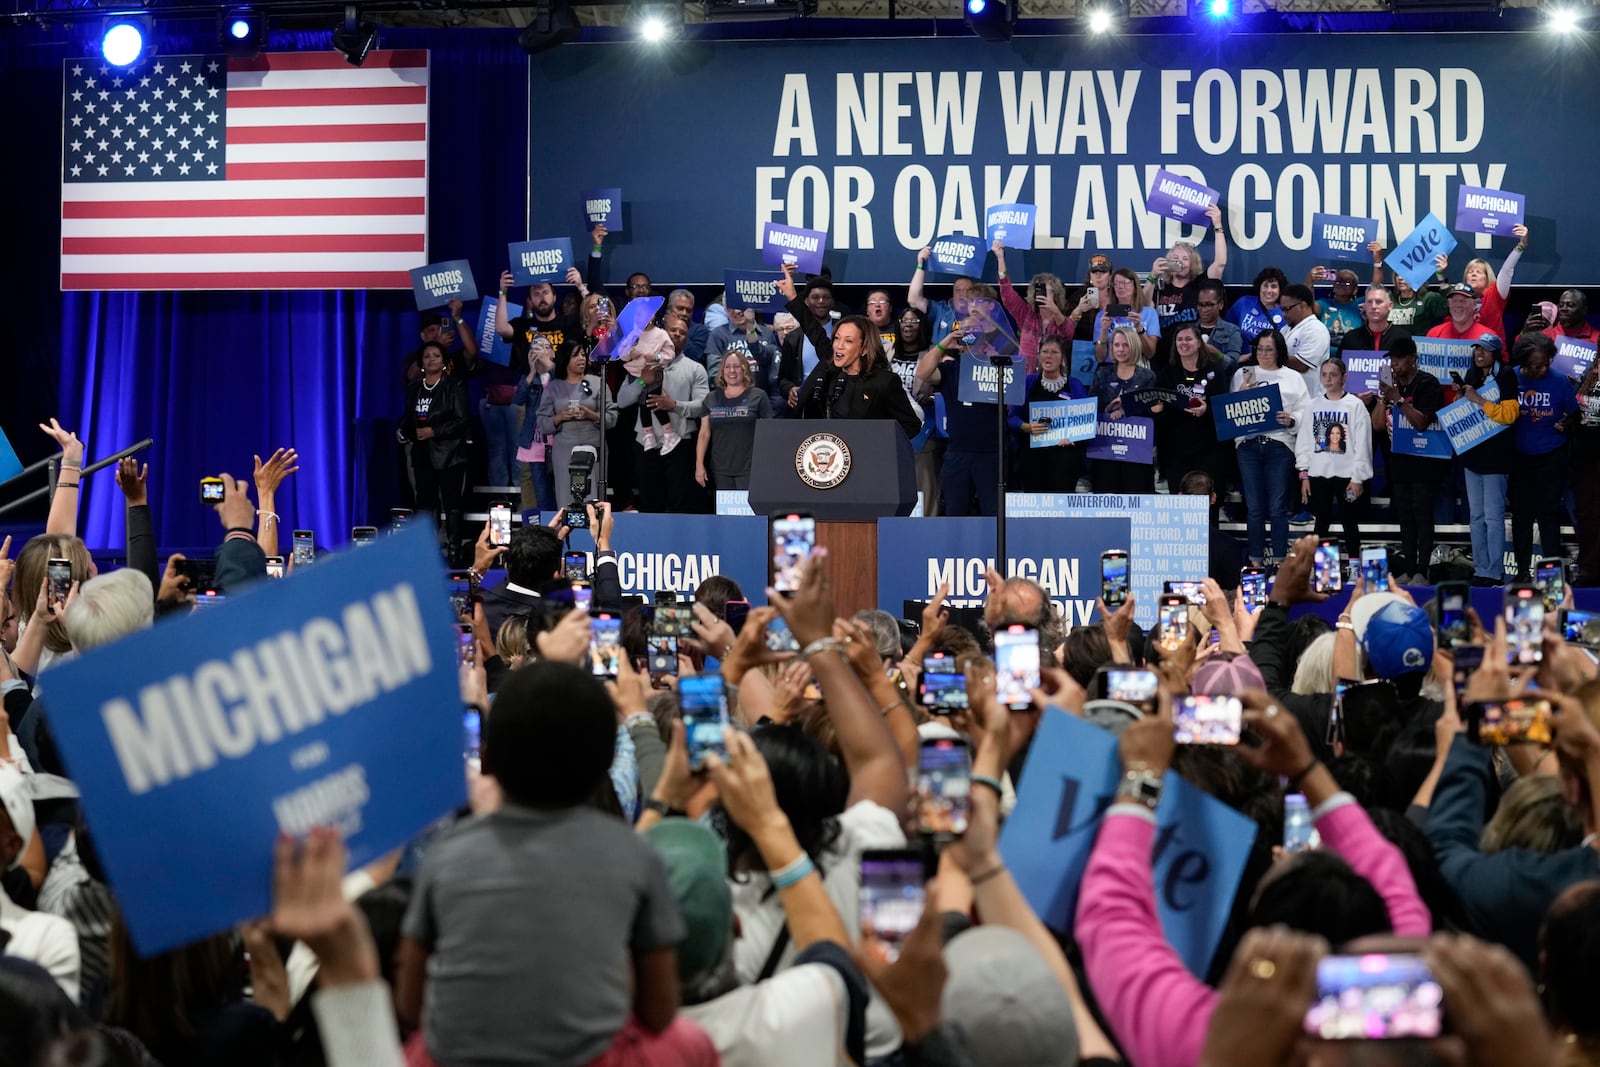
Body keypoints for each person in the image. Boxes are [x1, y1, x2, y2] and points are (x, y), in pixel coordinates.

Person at [1077, 687, 1428, 1067]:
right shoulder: (1407, 1002)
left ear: (1256, 933)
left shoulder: (1205, 1040)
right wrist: (1306, 770)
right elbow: (1387, 872)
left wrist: (1141, 775)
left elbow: (1111, 913)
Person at [396, 662, 716, 1067]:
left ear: (491, 755)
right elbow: (659, 1011)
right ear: (607, 759)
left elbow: (410, 1006)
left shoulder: (446, 855)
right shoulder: (633, 854)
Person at [788, 269, 921, 440]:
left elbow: (911, 425)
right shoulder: (832, 370)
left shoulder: (884, 382)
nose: (839, 346)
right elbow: (815, 331)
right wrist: (792, 296)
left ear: (864, 348)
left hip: (869, 460)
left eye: (848, 341)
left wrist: (879, 443)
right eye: (836, 338)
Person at [617, 313, 712, 514]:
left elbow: (702, 406)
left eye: (683, 333)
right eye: (673, 331)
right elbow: (622, 401)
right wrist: (643, 380)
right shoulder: (640, 365)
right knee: (650, 507)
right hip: (646, 445)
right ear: (663, 334)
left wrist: (673, 405)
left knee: (681, 506)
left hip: (681, 446)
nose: (677, 335)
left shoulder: (695, 369)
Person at [1231, 330, 1310, 566]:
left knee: (1277, 507)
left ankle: (1279, 561)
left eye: (1268, 349)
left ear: (1279, 351)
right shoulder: (1243, 374)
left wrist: (1292, 418)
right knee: (1254, 507)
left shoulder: (1293, 377)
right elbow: (1230, 413)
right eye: (1259, 348)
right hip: (1249, 445)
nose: (1263, 353)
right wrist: (1240, 397)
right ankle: (1255, 561)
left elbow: (1305, 411)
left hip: (1280, 443)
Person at [1377, 336, 1449, 584]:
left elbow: (1421, 422)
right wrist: (1382, 397)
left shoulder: (1428, 383)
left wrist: (1397, 399)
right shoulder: (1394, 387)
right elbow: (1377, 425)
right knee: (1405, 517)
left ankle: (1423, 570)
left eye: (1399, 359)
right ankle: (1409, 568)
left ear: (1413, 360)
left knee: (1422, 516)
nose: (1394, 365)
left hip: (1424, 462)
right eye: (1392, 360)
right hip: (1399, 462)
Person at [915, 323, 1007, 515]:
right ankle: (956, 546)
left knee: (993, 513)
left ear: (984, 345)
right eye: (966, 342)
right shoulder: (951, 369)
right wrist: (944, 344)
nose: (970, 347)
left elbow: (1014, 399)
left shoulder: (998, 369)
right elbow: (922, 372)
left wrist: (993, 358)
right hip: (957, 452)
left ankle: (991, 546)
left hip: (991, 454)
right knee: (955, 511)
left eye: (976, 342)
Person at [1511, 330, 1578, 581]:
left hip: (1552, 455)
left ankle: (1552, 577)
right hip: (1519, 457)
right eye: (1537, 366)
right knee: (1521, 516)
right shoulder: (1511, 378)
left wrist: (1567, 423)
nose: (1542, 369)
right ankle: (1521, 574)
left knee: (1548, 513)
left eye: (1546, 364)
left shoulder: (1559, 381)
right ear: (1524, 363)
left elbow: (1575, 415)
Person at [1457, 332, 1520, 585]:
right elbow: (1464, 410)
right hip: (1473, 454)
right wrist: (1461, 397)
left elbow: (1510, 415)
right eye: (1477, 349)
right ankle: (1480, 568)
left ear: (1496, 353)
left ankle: (1495, 571)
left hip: (1496, 456)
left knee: (1493, 518)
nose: (1479, 354)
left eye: (1484, 350)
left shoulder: (1506, 375)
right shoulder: (1472, 374)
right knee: (1476, 517)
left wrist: (1479, 400)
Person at [397, 340, 470, 557]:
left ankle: (455, 549)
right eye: (427, 356)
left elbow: (462, 420)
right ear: (421, 362)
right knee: (424, 504)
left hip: (449, 455)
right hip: (421, 454)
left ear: (444, 361)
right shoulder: (414, 388)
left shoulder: (454, 386)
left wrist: (434, 431)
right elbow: (409, 419)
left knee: (452, 503)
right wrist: (402, 431)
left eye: (436, 356)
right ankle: (426, 549)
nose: (431, 360)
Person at [1296, 358, 1374, 559]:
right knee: (1320, 524)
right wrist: (1304, 474)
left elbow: (1363, 445)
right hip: (1319, 475)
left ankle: (1355, 566)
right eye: (1324, 375)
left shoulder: (1355, 405)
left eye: (1333, 374)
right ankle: (1323, 568)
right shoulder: (1312, 405)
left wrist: (1358, 478)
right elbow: (1304, 441)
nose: (1328, 379)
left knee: (1349, 522)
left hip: (1347, 478)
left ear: (1344, 377)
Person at [535, 343, 617, 511]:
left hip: (593, 449)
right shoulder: (553, 388)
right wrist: (559, 417)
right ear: (565, 359)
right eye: (576, 355)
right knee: (567, 500)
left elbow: (612, 418)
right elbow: (542, 424)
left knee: (592, 499)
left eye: (583, 355)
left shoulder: (598, 383)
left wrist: (591, 415)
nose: (582, 358)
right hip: (564, 451)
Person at [1156, 322, 1230, 496]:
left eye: (1189, 339)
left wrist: (1207, 410)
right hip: (1177, 451)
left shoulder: (1216, 372)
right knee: (1180, 506)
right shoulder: (1166, 374)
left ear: (1199, 343)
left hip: (1209, 450)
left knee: (1208, 504)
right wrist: (1157, 411)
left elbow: (1224, 410)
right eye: (1179, 339)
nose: (1184, 343)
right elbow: (1162, 417)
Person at [1090, 325, 1165, 494]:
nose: (1121, 349)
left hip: (1137, 450)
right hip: (1106, 450)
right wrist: (1109, 410)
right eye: (1117, 345)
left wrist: (1127, 409)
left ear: (1134, 346)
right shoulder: (1102, 373)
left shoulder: (1148, 376)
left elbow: (1152, 412)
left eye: (1126, 345)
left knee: (1137, 495)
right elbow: (1092, 407)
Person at [1143, 203, 1228, 349]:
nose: (1180, 262)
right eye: (1175, 258)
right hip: (1164, 351)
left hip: (1193, 349)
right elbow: (1143, 305)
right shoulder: (1161, 286)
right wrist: (1152, 276)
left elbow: (1220, 263)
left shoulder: (1201, 284)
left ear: (1193, 263)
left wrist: (1218, 225)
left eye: (1185, 259)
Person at [1013, 335, 1090, 494]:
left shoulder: (1074, 385)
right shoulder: (1028, 382)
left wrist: (1073, 436)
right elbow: (1011, 418)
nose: (1048, 355)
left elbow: (1087, 421)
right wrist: (1026, 427)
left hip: (1065, 459)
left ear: (1062, 358)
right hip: (1033, 458)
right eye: (1044, 351)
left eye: (1054, 352)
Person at [695, 349, 773, 491]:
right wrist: (699, 465)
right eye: (727, 366)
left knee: (748, 512)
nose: (732, 371)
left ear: (745, 370)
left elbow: (769, 433)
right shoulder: (711, 398)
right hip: (720, 469)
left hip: (751, 468)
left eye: (737, 366)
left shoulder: (758, 396)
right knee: (725, 513)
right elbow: (704, 434)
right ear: (722, 371)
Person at [995, 241, 1074, 375]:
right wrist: (1000, 258)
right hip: (1025, 376)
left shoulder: (1061, 319)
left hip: (1053, 377)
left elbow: (1068, 332)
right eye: (1037, 290)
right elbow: (1007, 293)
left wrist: (1055, 310)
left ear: (1055, 294)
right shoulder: (1026, 314)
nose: (1041, 294)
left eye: (1046, 290)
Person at [1441, 223, 1528, 341]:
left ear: (1488, 278)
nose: (1473, 274)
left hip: (1492, 353)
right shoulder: (1459, 299)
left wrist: (1521, 245)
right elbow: (1446, 292)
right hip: (1464, 352)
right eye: (1470, 271)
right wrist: (1440, 273)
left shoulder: (1495, 295)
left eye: (1479, 272)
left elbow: (1507, 270)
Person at [777, 271, 838, 411]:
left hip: (835, 402)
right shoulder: (793, 338)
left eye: (826, 297)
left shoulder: (843, 331)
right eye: (815, 297)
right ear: (806, 301)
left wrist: (792, 297)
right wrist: (790, 389)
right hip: (804, 404)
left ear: (833, 301)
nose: (821, 301)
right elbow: (783, 379)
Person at [511, 333, 557, 513]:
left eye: (546, 347)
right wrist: (531, 372)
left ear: (553, 354)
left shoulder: (558, 375)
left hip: (557, 442)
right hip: (536, 445)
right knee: (542, 493)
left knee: (557, 488)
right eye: (536, 347)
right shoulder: (530, 379)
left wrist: (548, 366)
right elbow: (518, 399)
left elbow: (560, 387)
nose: (541, 350)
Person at [1094, 269, 1159, 364]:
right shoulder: (1102, 316)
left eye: (1125, 282)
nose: (1120, 287)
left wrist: (1139, 328)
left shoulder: (1149, 313)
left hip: (1139, 367)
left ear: (1135, 286)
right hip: (1111, 367)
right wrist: (1104, 331)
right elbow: (1100, 358)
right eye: (1116, 283)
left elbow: (1150, 353)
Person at [1280, 283, 1331, 400]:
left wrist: (1273, 357)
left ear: (1303, 306)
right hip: (1288, 397)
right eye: (1281, 309)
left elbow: (1302, 365)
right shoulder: (1285, 329)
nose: (1283, 314)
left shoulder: (1316, 329)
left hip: (1310, 399)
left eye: (1287, 309)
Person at [1225, 266, 1289, 345]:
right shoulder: (1244, 302)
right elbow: (1227, 328)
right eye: (1265, 285)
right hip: (1238, 355)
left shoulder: (1284, 314)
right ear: (1259, 287)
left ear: (1280, 290)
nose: (1269, 290)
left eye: (1273, 286)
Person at [1339, 285, 1411, 355]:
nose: (1373, 306)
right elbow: (1340, 365)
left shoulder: (1403, 338)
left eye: (1379, 302)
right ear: (1365, 306)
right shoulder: (1350, 338)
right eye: (1369, 302)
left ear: (1390, 306)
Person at [1306, 266, 1364, 351]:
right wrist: (1309, 282)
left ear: (1355, 289)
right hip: (1325, 357)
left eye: (1347, 283)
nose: (1341, 284)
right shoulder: (1324, 304)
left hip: (1351, 356)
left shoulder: (1359, 305)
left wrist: (1377, 263)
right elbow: (1309, 307)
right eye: (1338, 281)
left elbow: (1376, 286)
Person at [1194, 278, 1243, 366]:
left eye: (1209, 305)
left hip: (1220, 378)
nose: (1204, 309)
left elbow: (1233, 365)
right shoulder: (1190, 330)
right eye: (1200, 305)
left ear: (1220, 304)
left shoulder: (1232, 331)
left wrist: (1218, 355)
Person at [1428, 283, 1494, 342]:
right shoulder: (1434, 334)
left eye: (1463, 301)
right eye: (1454, 301)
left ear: (1474, 304)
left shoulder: (1488, 338)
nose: (1458, 305)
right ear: (1449, 303)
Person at [1536, 288, 1600, 344]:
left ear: (1584, 309)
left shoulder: (1597, 338)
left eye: (1570, 305)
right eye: (1561, 305)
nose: (1564, 309)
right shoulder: (1545, 336)